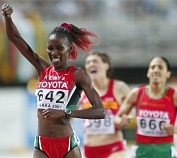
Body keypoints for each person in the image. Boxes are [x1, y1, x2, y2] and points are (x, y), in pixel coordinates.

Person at [2, 3, 105, 158]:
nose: (54, 53)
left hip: (66, 144)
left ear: (69, 50)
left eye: (59, 48)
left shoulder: (78, 75)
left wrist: (65, 112)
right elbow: (15, 39)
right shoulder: (42, 68)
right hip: (42, 145)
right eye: (50, 48)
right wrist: (8, 17)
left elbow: (100, 110)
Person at [114, 56, 177, 158]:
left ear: (168, 73)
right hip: (142, 150)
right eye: (152, 67)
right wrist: (121, 121)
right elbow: (116, 118)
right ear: (148, 73)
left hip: (165, 150)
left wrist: (175, 130)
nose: (156, 70)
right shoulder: (137, 93)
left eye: (160, 67)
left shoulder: (175, 96)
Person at [79, 51, 131, 158]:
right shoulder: (81, 91)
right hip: (90, 148)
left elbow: (135, 111)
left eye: (95, 61)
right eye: (88, 63)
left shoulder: (120, 87)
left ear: (106, 65)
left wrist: (123, 119)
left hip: (114, 146)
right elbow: (68, 115)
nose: (91, 64)